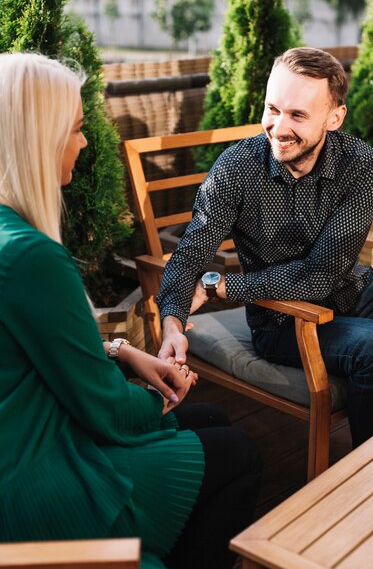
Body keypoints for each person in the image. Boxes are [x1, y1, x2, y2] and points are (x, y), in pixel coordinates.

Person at [0, 52, 262, 569]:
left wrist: (122, 351)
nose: (85, 142)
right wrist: (163, 395)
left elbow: (28, 347)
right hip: (32, 476)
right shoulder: (30, 257)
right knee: (241, 452)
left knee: (210, 418)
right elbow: (105, 410)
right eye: (75, 129)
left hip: (28, 430)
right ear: (36, 140)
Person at [157, 46, 373, 449]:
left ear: (335, 117)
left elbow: (322, 273)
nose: (278, 127)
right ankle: (370, 472)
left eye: (297, 115)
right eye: (272, 109)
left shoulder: (363, 165)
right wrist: (171, 321)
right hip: (281, 323)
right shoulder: (236, 168)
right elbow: (191, 251)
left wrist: (223, 288)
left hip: (351, 289)